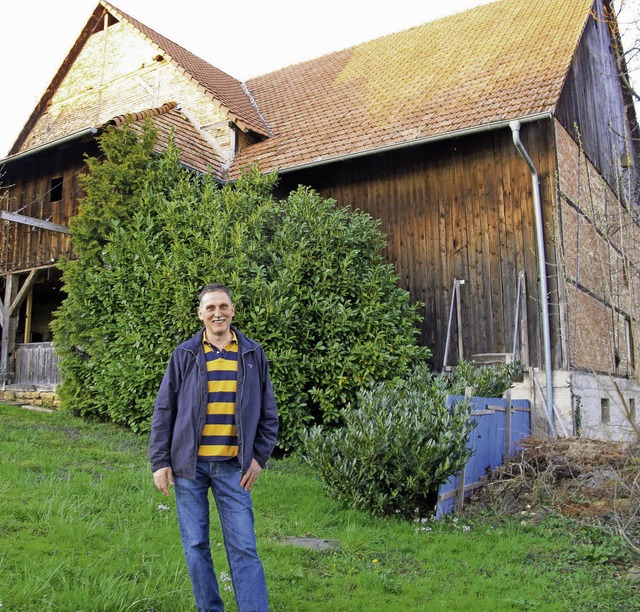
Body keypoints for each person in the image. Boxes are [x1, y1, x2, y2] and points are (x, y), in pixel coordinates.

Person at [149, 282, 279, 612]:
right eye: (210, 308)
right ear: (200, 314)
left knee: (245, 547)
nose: (217, 313)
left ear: (232, 310)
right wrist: (159, 461)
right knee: (195, 545)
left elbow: (268, 413)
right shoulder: (184, 355)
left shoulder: (252, 354)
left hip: (234, 468)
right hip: (189, 467)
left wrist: (259, 459)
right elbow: (165, 409)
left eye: (223, 306)